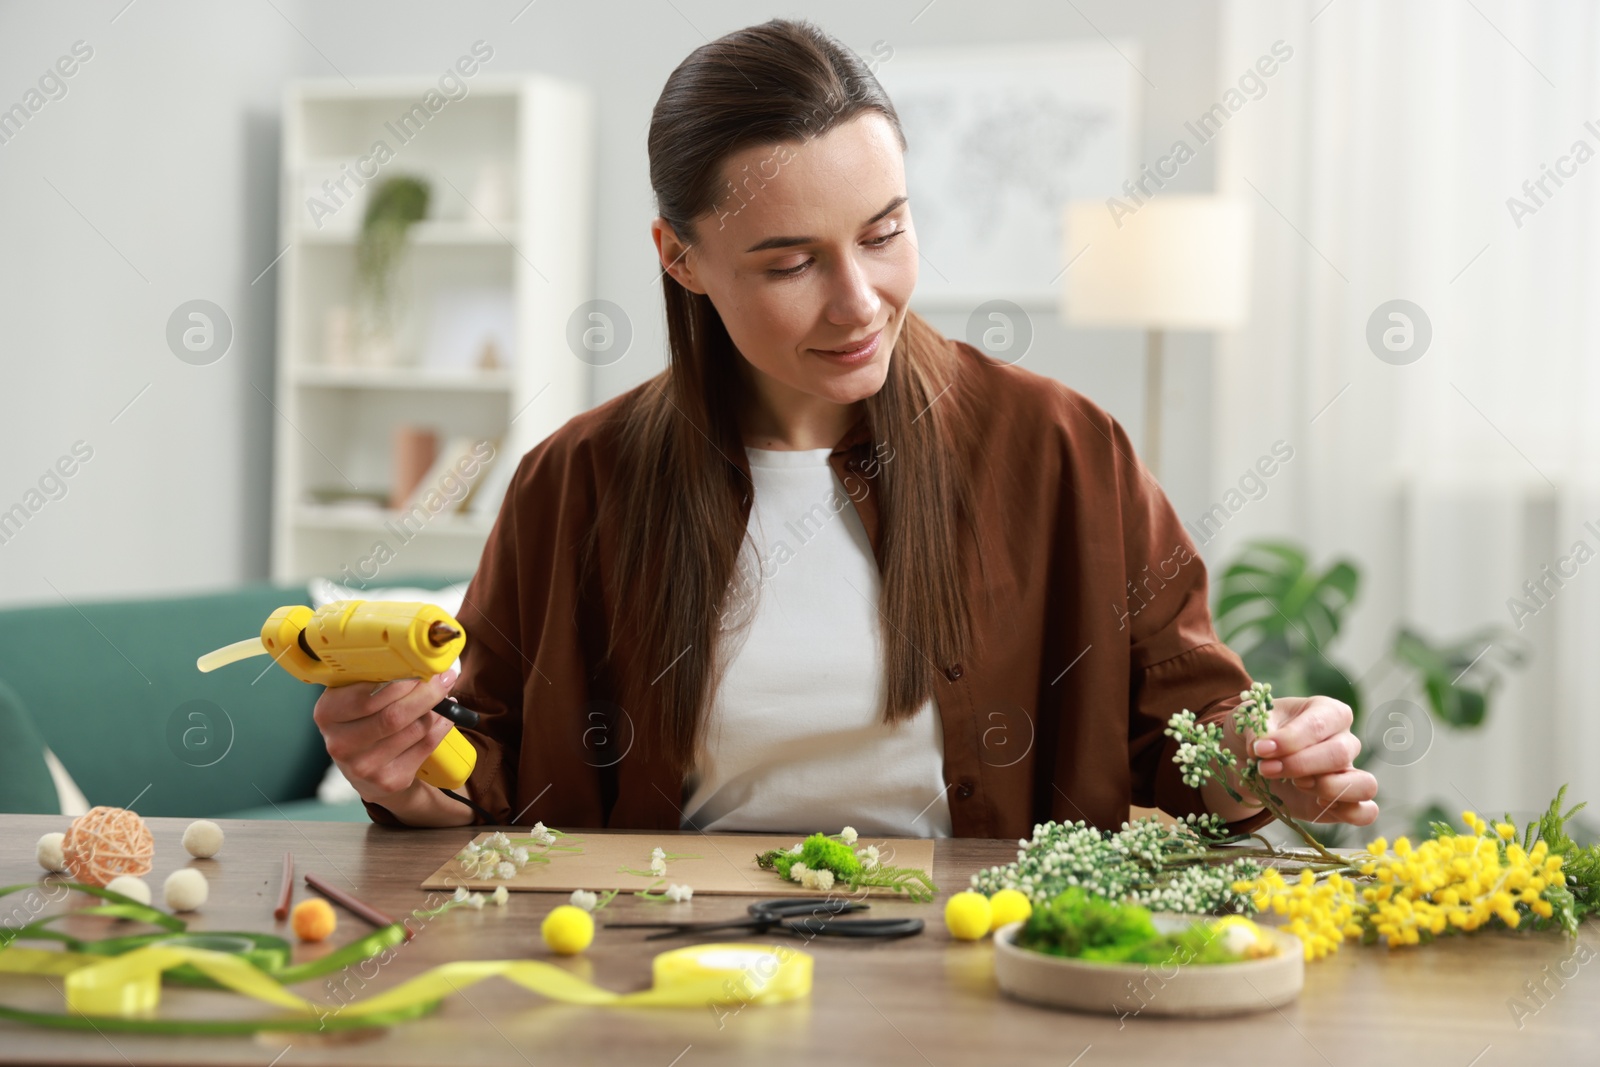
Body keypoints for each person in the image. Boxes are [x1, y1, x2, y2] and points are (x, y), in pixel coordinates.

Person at [312, 18, 1378, 837]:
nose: (858, 299)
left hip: (975, 974)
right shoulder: (576, 480)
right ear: (679, 256)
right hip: (664, 977)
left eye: (884, 233)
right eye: (788, 263)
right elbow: (490, 766)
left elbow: (1183, 732)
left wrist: (1274, 760)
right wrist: (406, 773)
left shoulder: (1059, 448)